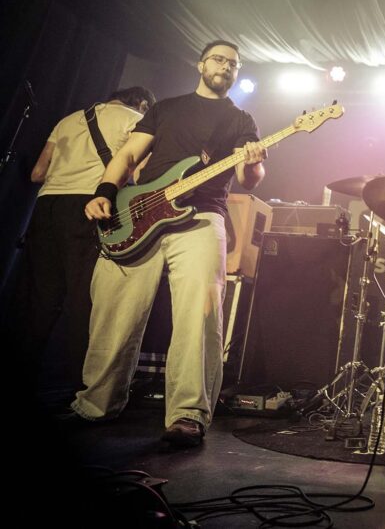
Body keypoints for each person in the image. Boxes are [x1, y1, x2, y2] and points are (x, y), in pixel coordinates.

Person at [71, 41, 266, 447]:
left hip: (202, 217)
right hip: (140, 213)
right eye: (218, 59)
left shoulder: (241, 119)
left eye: (233, 63)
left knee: (201, 314)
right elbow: (128, 155)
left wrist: (253, 163)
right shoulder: (166, 108)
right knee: (113, 310)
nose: (225, 66)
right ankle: (96, 404)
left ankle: (188, 415)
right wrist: (105, 191)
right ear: (201, 64)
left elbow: (249, 180)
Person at [11, 87, 154, 395]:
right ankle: (80, 387)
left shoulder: (68, 120)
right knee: (84, 298)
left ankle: (18, 382)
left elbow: (38, 173)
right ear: (142, 104)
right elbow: (142, 174)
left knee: (40, 300)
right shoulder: (135, 120)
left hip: (46, 207)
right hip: (90, 205)